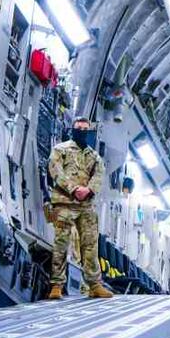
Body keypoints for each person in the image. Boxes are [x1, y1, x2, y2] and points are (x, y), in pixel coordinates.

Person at [45, 117, 113, 300]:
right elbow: (55, 170)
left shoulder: (94, 156)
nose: (82, 132)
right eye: (79, 129)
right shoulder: (61, 149)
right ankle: (57, 284)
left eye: (85, 129)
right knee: (61, 244)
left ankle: (94, 285)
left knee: (90, 244)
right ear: (73, 130)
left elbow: (99, 174)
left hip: (86, 205)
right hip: (65, 202)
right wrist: (73, 189)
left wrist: (89, 190)